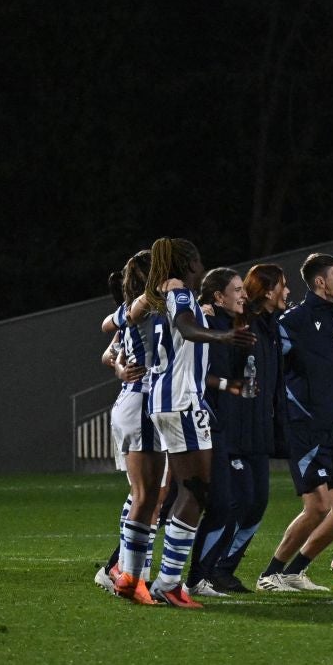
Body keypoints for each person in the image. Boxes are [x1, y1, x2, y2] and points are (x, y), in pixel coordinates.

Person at [118, 238, 256, 607]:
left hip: (162, 400)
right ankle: (169, 582)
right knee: (195, 493)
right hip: (181, 402)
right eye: (195, 259)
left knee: (160, 494)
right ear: (187, 263)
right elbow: (186, 326)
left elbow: (125, 321)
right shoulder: (178, 291)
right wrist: (222, 335)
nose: (200, 265)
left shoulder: (157, 294)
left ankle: (135, 576)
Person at [258, 252, 333, 591]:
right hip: (303, 425)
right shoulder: (293, 321)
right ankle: (270, 574)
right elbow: (270, 365)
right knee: (317, 506)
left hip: (329, 427)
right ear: (319, 281)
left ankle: (293, 571)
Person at [207, 264, 285, 587]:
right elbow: (213, 373)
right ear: (268, 290)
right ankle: (206, 569)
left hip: (259, 430)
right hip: (234, 429)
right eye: (283, 285)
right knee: (235, 503)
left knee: (258, 503)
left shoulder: (271, 327)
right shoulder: (237, 325)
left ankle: (224, 567)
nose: (288, 291)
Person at [93, 251, 156, 597]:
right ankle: (126, 570)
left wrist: (116, 363)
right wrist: (119, 367)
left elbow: (109, 340)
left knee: (151, 493)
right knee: (149, 493)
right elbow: (109, 334)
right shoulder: (143, 308)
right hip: (142, 400)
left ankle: (127, 568)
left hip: (149, 402)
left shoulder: (145, 310)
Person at [186, 267, 251, 597]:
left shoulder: (229, 324)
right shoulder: (207, 323)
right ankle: (120, 566)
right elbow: (198, 373)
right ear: (216, 296)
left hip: (221, 425)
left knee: (226, 503)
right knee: (190, 502)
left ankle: (199, 577)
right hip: (202, 423)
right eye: (237, 289)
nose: (243, 294)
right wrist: (228, 384)